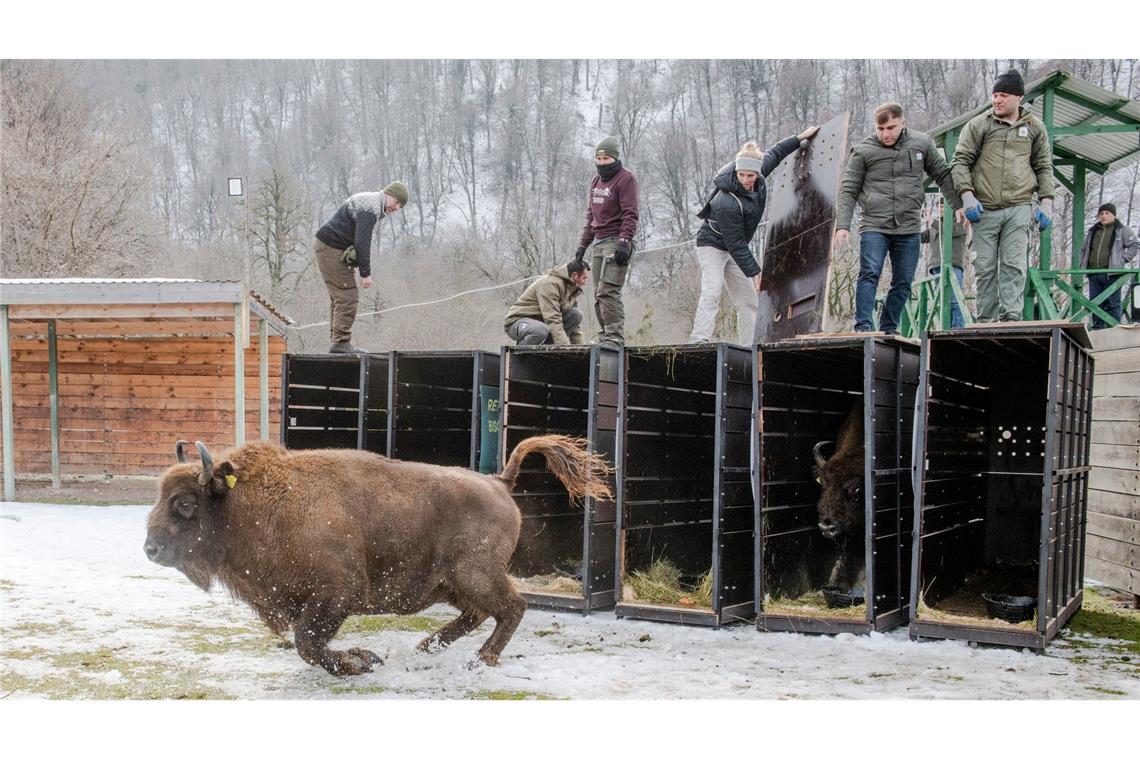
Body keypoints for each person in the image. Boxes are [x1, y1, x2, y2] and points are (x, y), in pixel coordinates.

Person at [835, 101, 961, 334]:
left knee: (903, 281)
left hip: (908, 224)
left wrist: (959, 205)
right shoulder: (863, 151)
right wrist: (843, 225)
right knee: (869, 272)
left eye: (891, 128)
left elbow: (943, 174)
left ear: (903, 123)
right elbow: (849, 188)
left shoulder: (921, 143)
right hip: (874, 223)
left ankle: (888, 327)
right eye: (880, 129)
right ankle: (863, 326)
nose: (885, 134)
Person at [689, 127, 821, 345]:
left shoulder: (758, 172)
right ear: (736, 172)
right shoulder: (726, 202)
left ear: (758, 173)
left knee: (749, 300)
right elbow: (737, 244)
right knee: (712, 290)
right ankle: (699, 338)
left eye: (750, 176)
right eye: (741, 175)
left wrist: (799, 138)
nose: (745, 180)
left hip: (734, 249)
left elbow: (777, 152)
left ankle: (749, 346)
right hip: (712, 245)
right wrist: (755, 273)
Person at [950, 69, 1054, 323]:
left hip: (1019, 206)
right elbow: (960, 161)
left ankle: (1011, 317)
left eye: (1003, 95)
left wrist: (1047, 201)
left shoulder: (1034, 128)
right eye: (995, 95)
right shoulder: (979, 125)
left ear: (1019, 97)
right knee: (984, 267)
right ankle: (986, 319)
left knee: (1013, 263)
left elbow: (1043, 164)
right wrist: (967, 196)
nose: (997, 100)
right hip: (983, 208)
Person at [313, 181, 409, 353]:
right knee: (347, 295)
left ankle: (337, 342)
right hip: (330, 247)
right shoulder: (370, 207)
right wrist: (366, 273)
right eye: (396, 203)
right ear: (389, 195)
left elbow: (353, 235)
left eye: (399, 207)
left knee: (339, 296)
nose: (396, 208)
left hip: (330, 246)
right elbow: (362, 242)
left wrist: (354, 263)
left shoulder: (370, 202)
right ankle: (340, 344)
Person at [575, 137, 639, 349]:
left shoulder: (625, 179)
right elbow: (590, 217)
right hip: (598, 243)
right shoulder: (595, 182)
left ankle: (615, 338)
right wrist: (582, 247)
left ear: (615, 158)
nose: (602, 162)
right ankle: (604, 337)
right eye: (599, 158)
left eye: (607, 158)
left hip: (616, 240)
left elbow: (630, 213)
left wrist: (624, 240)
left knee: (608, 291)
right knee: (597, 294)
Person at [1079, 202, 1140, 329]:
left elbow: (1135, 245)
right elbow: (1084, 249)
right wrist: (1082, 264)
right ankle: (1097, 331)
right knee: (1095, 304)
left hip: (1113, 274)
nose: (1104, 216)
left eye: (1107, 213)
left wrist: (1123, 259)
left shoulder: (1122, 230)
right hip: (1093, 274)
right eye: (1101, 213)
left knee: (1113, 304)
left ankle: (1114, 329)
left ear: (1113, 215)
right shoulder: (1092, 231)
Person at [504, 259, 590, 345]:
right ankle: (520, 356)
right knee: (540, 330)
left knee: (576, 315)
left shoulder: (572, 289)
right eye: (584, 278)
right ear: (574, 275)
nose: (585, 282)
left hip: (542, 323)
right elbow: (552, 318)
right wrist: (565, 347)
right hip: (517, 321)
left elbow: (575, 327)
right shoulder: (550, 284)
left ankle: (546, 351)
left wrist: (583, 353)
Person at [921, 201, 971, 329]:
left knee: (955, 299)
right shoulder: (936, 225)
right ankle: (946, 327)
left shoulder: (960, 221)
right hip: (936, 266)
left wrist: (933, 221)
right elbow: (920, 237)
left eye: (942, 206)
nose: (940, 209)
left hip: (953, 264)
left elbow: (951, 231)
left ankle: (957, 326)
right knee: (942, 301)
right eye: (938, 206)